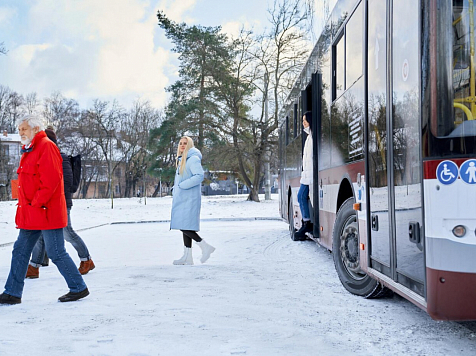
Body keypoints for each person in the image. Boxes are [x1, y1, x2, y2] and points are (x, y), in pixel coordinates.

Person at [0, 115, 89, 304]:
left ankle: (78, 287)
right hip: (32, 213)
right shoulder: (29, 149)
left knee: (56, 252)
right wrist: (28, 208)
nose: (21, 132)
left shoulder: (46, 146)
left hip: (47, 211)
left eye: (24, 129)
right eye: (20, 129)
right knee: (20, 251)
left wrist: (36, 203)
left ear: (35, 128)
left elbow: (51, 182)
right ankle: (12, 293)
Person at [25, 127, 95, 279]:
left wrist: (49, 192)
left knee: (67, 233)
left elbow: (67, 183)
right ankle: (34, 266)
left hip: (61, 203)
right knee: (39, 233)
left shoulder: (60, 157)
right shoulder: (44, 156)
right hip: (45, 203)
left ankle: (86, 260)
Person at [170, 136, 215, 265]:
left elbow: (199, 176)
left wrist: (182, 186)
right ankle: (187, 257)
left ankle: (205, 247)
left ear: (190, 145)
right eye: (181, 143)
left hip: (189, 199)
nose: (182, 145)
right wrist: (176, 189)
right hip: (182, 198)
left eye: (185, 143)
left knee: (184, 226)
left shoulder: (193, 159)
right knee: (185, 225)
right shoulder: (182, 160)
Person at [294, 111, 313, 239]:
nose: (303, 123)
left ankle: (307, 223)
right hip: (306, 175)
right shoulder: (308, 137)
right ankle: (306, 222)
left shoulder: (312, 137)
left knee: (301, 196)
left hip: (310, 176)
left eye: (305, 120)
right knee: (301, 196)